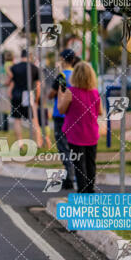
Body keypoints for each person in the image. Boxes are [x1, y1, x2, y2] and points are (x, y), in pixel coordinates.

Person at [57, 61, 102, 193]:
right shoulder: (94, 93)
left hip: (75, 135)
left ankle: (82, 192)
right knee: (91, 163)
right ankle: (90, 189)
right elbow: (99, 112)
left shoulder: (71, 92)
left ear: (75, 76)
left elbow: (61, 110)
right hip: (92, 134)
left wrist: (61, 94)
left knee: (79, 165)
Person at [47, 49, 77, 190]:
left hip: (60, 116)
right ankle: (75, 174)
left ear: (63, 60)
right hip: (75, 115)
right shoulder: (77, 76)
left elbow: (51, 94)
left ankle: (69, 176)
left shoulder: (61, 76)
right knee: (74, 145)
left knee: (63, 146)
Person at [6, 50, 43, 146]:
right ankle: (38, 143)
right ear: (29, 57)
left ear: (21, 56)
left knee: (17, 120)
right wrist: (37, 100)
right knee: (34, 120)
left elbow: (9, 82)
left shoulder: (14, 68)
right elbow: (38, 86)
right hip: (28, 95)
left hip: (16, 95)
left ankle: (20, 143)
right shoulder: (34, 68)